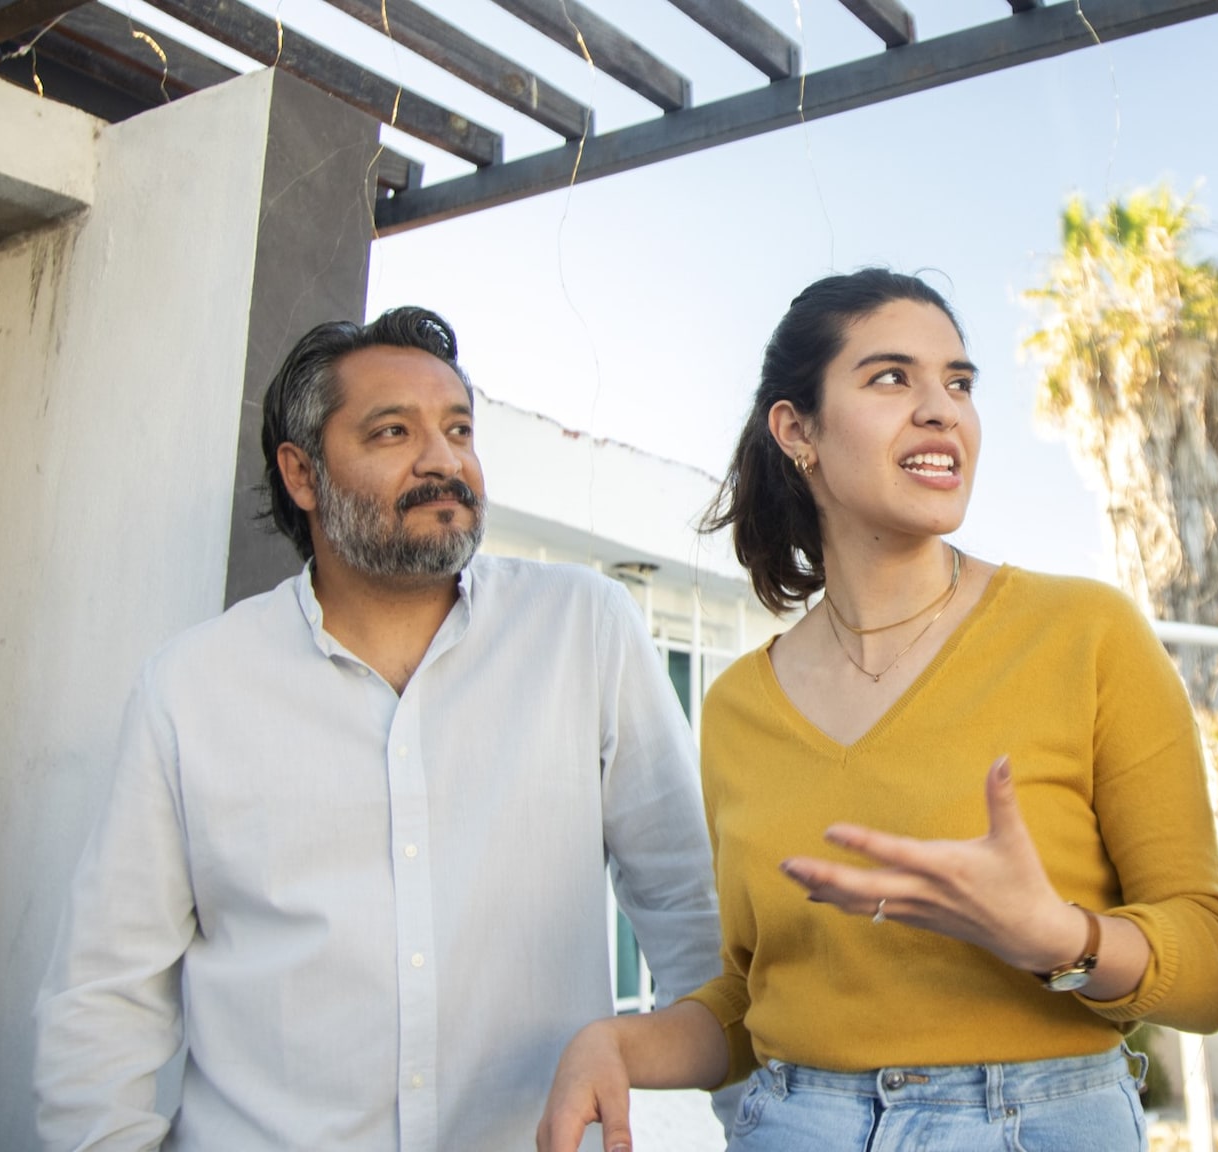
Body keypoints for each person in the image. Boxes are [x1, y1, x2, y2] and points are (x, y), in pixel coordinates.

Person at [537, 269, 1218, 1152]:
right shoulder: (736, 709)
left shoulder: (1087, 634)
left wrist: (1056, 938)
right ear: (797, 430)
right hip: (792, 1125)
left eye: (958, 382)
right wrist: (613, 1041)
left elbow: (1214, 970)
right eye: (890, 378)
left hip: (1041, 1125)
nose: (941, 409)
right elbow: (753, 1002)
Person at [35, 307, 721, 1151]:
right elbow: (105, 993)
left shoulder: (583, 628)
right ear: (301, 474)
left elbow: (691, 912)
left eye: (459, 428)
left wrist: (752, 1128)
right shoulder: (191, 688)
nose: (444, 460)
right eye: (393, 432)